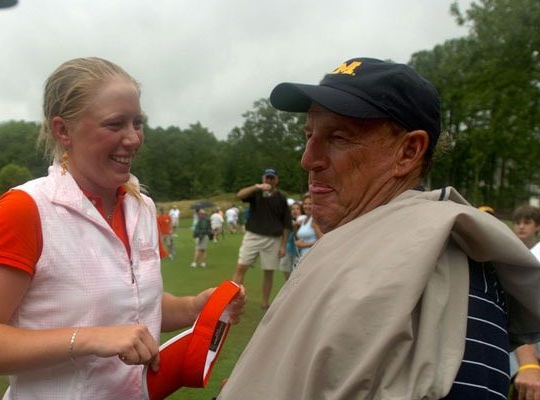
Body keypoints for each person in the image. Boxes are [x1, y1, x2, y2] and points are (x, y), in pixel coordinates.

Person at [218, 57, 540, 399]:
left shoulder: (448, 268)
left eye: (338, 138)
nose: (308, 159)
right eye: (309, 135)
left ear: (409, 151)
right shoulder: (353, 242)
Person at [0, 57, 245, 400]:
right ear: (63, 131)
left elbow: (133, 306)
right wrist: (88, 338)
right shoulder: (25, 209)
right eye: (115, 124)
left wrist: (194, 306)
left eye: (138, 122)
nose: (133, 138)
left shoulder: (141, 206)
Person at [232, 168, 292, 310]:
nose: (269, 180)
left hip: (273, 239)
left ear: (276, 180)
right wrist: (257, 186)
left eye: (272, 178)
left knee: (268, 271)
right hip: (253, 236)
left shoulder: (281, 198)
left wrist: (283, 245)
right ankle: (232, 300)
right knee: (241, 267)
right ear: (263, 178)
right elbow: (240, 195)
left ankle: (265, 302)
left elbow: (286, 224)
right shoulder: (256, 193)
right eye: (267, 178)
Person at [509, 205, 540, 399]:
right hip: (528, 346)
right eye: (518, 222)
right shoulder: (513, 254)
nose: (521, 227)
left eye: (526, 222)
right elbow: (518, 307)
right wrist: (528, 363)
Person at [278, 200, 304, 280]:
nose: (295, 211)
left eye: (297, 209)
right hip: (288, 250)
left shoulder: (305, 222)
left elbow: (298, 238)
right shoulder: (288, 222)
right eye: (293, 209)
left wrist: (296, 227)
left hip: (299, 252)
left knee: (297, 276)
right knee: (287, 277)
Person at [294, 193, 323, 260]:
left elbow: (322, 240)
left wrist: (303, 245)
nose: (307, 206)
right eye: (305, 204)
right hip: (303, 256)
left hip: (313, 257)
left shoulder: (314, 220)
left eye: (310, 204)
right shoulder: (304, 220)